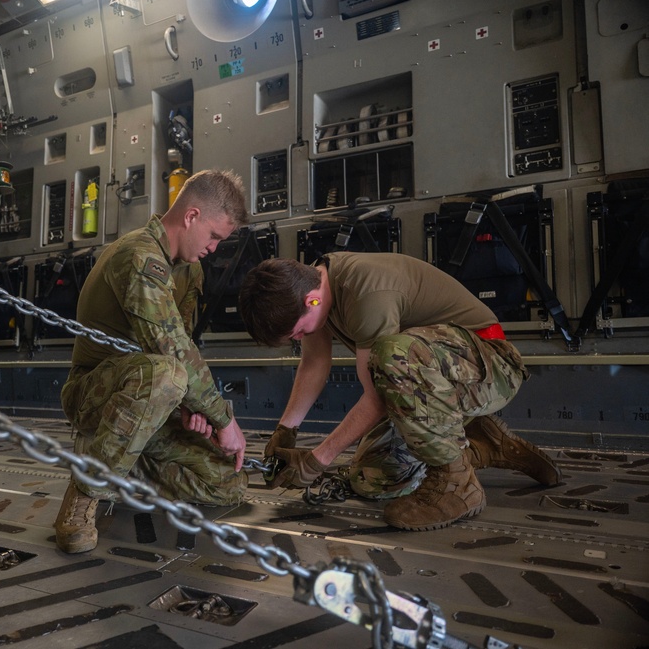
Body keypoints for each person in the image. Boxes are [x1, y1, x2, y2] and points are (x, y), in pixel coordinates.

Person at [238, 253, 561, 531]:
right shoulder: (309, 286)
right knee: (373, 480)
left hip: (490, 368)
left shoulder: (367, 293)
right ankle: (484, 444)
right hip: (438, 377)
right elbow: (314, 363)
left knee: (393, 354)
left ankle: (457, 485)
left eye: (298, 331)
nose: (298, 338)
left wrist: (316, 461)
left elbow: (378, 398)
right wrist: (285, 431)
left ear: (312, 300)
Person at [54, 169, 251, 553]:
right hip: (95, 394)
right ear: (191, 216)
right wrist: (223, 421)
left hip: (154, 397)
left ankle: (124, 462)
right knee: (166, 375)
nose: (214, 248)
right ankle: (83, 492)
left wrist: (188, 409)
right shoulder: (139, 255)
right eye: (213, 236)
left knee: (228, 484)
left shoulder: (190, 270)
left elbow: (186, 346)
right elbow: (172, 351)